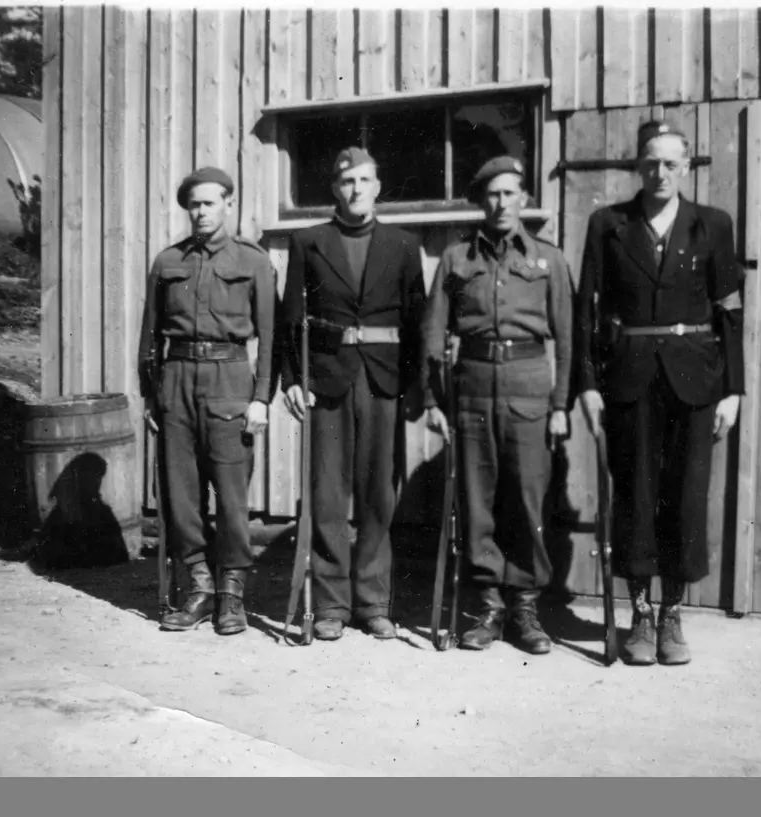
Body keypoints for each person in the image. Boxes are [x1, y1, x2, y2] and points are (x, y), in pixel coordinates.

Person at [573, 121, 745, 666]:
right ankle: (640, 616)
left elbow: (730, 314)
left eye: (671, 163)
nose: (660, 172)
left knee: (686, 494)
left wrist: (733, 390)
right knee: (636, 494)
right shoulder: (609, 225)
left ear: (687, 167)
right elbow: (586, 312)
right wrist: (587, 385)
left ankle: (673, 615)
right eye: (650, 162)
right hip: (629, 378)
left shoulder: (712, 226)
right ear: (637, 166)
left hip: (695, 380)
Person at [421, 156, 572, 655]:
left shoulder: (549, 260)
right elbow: (432, 332)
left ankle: (525, 605)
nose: (501, 203)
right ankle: (488, 604)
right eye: (492, 194)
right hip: (472, 385)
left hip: (530, 384)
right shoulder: (456, 259)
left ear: (524, 200)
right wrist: (433, 398)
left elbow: (568, 339)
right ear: (480, 201)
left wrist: (560, 403)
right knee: (478, 498)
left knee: (528, 498)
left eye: (510, 194)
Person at [279, 147, 427, 642]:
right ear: (336, 189)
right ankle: (330, 604)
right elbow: (290, 318)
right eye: (347, 181)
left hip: (383, 379)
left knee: (378, 494)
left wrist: (415, 389)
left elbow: (418, 322)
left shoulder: (404, 245)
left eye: (365, 180)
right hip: (328, 377)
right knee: (327, 493)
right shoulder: (309, 242)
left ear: (378, 186)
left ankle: (373, 601)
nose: (356, 189)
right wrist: (292, 379)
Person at [138, 166, 277, 636]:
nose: (200, 212)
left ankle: (232, 592)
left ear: (229, 205)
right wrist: (150, 395)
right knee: (180, 494)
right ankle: (199, 585)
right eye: (193, 204)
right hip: (176, 379)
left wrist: (261, 398)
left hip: (230, 379)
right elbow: (150, 335)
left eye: (209, 203)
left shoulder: (253, 262)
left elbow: (272, 340)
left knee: (232, 495)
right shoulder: (167, 261)